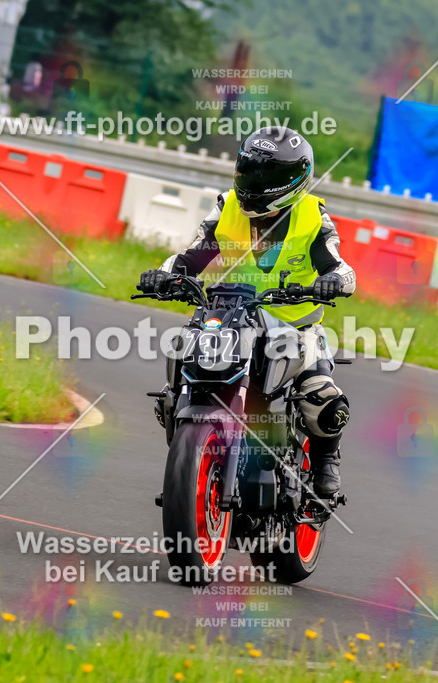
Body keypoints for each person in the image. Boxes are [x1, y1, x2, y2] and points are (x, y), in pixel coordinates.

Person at [137, 126, 356, 501]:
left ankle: (325, 461)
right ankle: (193, 443)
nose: (255, 182)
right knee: (182, 362)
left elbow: (341, 268)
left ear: (297, 178)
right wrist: (166, 275)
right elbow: (192, 256)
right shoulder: (227, 206)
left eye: (268, 175)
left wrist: (332, 282)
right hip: (232, 317)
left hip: (295, 326)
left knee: (322, 399)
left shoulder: (313, 217)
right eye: (249, 170)